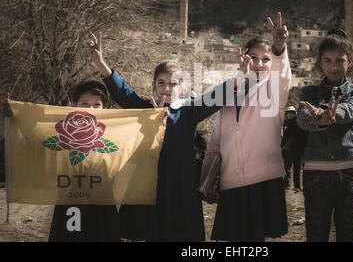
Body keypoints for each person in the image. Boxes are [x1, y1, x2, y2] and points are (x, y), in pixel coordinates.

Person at [87, 32, 244, 241]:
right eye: (161, 83)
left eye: (172, 83)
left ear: (182, 87)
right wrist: (100, 62)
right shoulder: (143, 108)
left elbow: (214, 97)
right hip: (150, 188)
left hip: (182, 188)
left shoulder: (189, 111)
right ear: (154, 85)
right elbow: (122, 92)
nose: (166, 88)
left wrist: (241, 75)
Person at [202, 12, 291, 242]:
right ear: (244, 59)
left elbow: (282, 78)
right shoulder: (229, 94)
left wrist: (279, 47)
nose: (260, 64)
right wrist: (207, 178)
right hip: (231, 182)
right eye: (254, 57)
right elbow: (215, 141)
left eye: (266, 58)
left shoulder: (273, 93)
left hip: (263, 180)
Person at [296, 28, 353, 242]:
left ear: (350, 63)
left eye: (340, 61)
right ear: (321, 63)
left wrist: (331, 114)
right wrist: (318, 119)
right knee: (316, 235)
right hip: (315, 175)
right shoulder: (308, 93)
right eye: (328, 61)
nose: (334, 67)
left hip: (350, 174)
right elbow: (303, 119)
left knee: (349, 235)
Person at [45, 80, 120, 241]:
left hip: (102, 202)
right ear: (75, 105)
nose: (90, 109)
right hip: (71, 197)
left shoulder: (115, 132)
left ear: (104, 108)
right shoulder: (61, 129)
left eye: (96, 105)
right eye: (84, 103)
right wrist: (15, 116)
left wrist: (157, 119)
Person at [281, 106, 308, 192]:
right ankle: (291, 185)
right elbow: (285, 136)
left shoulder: (296, 122)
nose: (290, 114)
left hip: (299, 148)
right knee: (290, 167)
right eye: (289, 113)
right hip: (291, 149)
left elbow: (300, 136)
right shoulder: (286, 123)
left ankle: (298, 186)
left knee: (299, 168)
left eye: (292, 113)